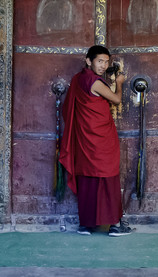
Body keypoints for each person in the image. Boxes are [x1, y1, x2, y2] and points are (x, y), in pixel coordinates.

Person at [58, 45, 133, 236]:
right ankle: (115, 225)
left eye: (106, 62)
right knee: (108, 177)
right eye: (100, 61)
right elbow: (116, 100)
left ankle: (86, 225)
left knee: (88, 179)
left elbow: (67, 110)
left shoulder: (77, 79)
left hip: (84, 138)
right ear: (88, 61)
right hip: (101, 139)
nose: (103, 65)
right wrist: (120, 82)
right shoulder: (95, 82)